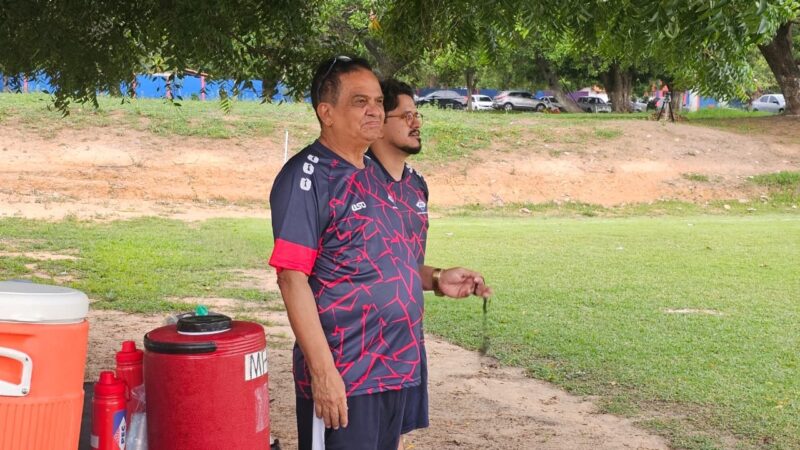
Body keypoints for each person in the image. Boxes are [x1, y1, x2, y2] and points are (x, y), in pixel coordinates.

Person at [269, 56, 490, 450]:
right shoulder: (307, 176)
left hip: (396, 367)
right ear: (327, 112)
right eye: (359, 101)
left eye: (376, 101)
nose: (374, 109)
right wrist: (323, 373)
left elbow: (382, 262)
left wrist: (437, 278)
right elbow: (291, 277)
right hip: (346, 372)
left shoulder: (380, 177)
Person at [367, 78, 493, 450]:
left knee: (394, 441)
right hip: (358, 348)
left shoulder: (415, 186)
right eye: (405, 115)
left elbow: (399, 264)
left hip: (405, 341)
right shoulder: (351, 180)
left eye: (417, 114)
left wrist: (438, 278)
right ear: (377, 121)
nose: (416, 122)